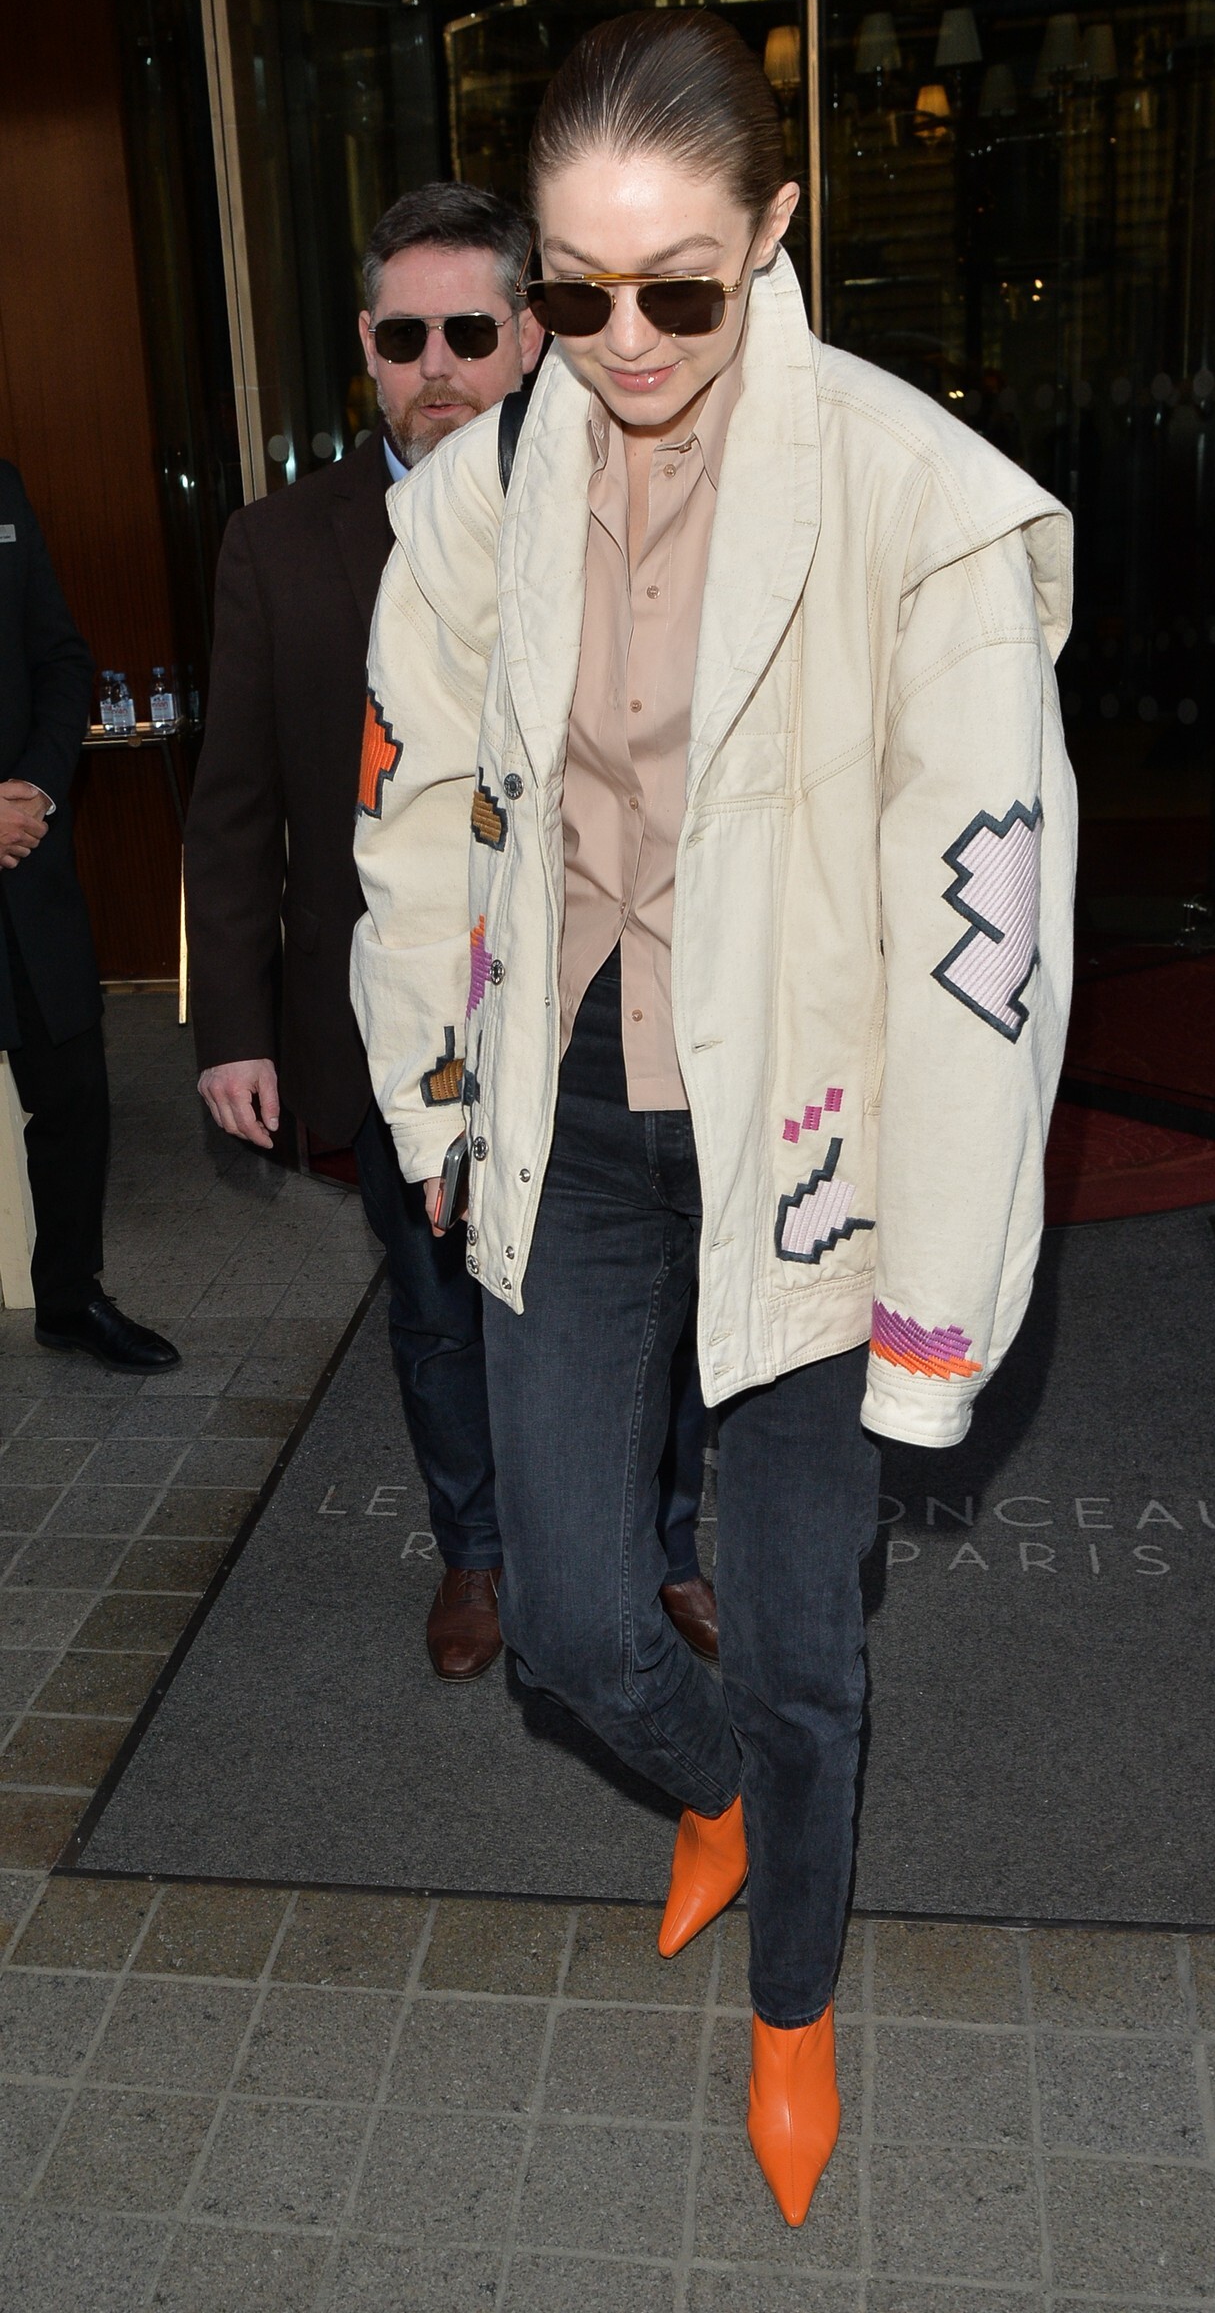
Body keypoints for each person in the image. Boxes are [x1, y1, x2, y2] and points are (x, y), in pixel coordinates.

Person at [351, 14, 1074, 2224]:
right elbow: (423, 822)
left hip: (821, 1130)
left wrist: (936, 1294)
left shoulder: (918, 504)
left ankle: (792, 2004)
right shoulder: (481, 494)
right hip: (575, 1096)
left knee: (797, 1641)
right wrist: (436, 1100)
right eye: (573, 295)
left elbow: (986, 946)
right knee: (576, 1625)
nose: (627, 341)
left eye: (680, 283)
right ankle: (717, 1796)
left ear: (775, 229)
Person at [186, 182, 718, 1680]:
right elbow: (235, 806)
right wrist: (231, 1029)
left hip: (602, 1003)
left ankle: (661, 1551)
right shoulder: (277, 544)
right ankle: (477, 1553)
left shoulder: (629, 505)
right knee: (437, 1316)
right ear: (365, 345)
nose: (438, 367)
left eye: (471, 334)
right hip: (390, 1014)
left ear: (531, 338)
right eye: (405, 336)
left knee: (642, 1303)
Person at [0, 463, 179, 1373]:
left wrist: (35, 786)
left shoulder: (2, 491)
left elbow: (62, 659)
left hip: (26, 865)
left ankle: (70, 1298)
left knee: (73, 1095)